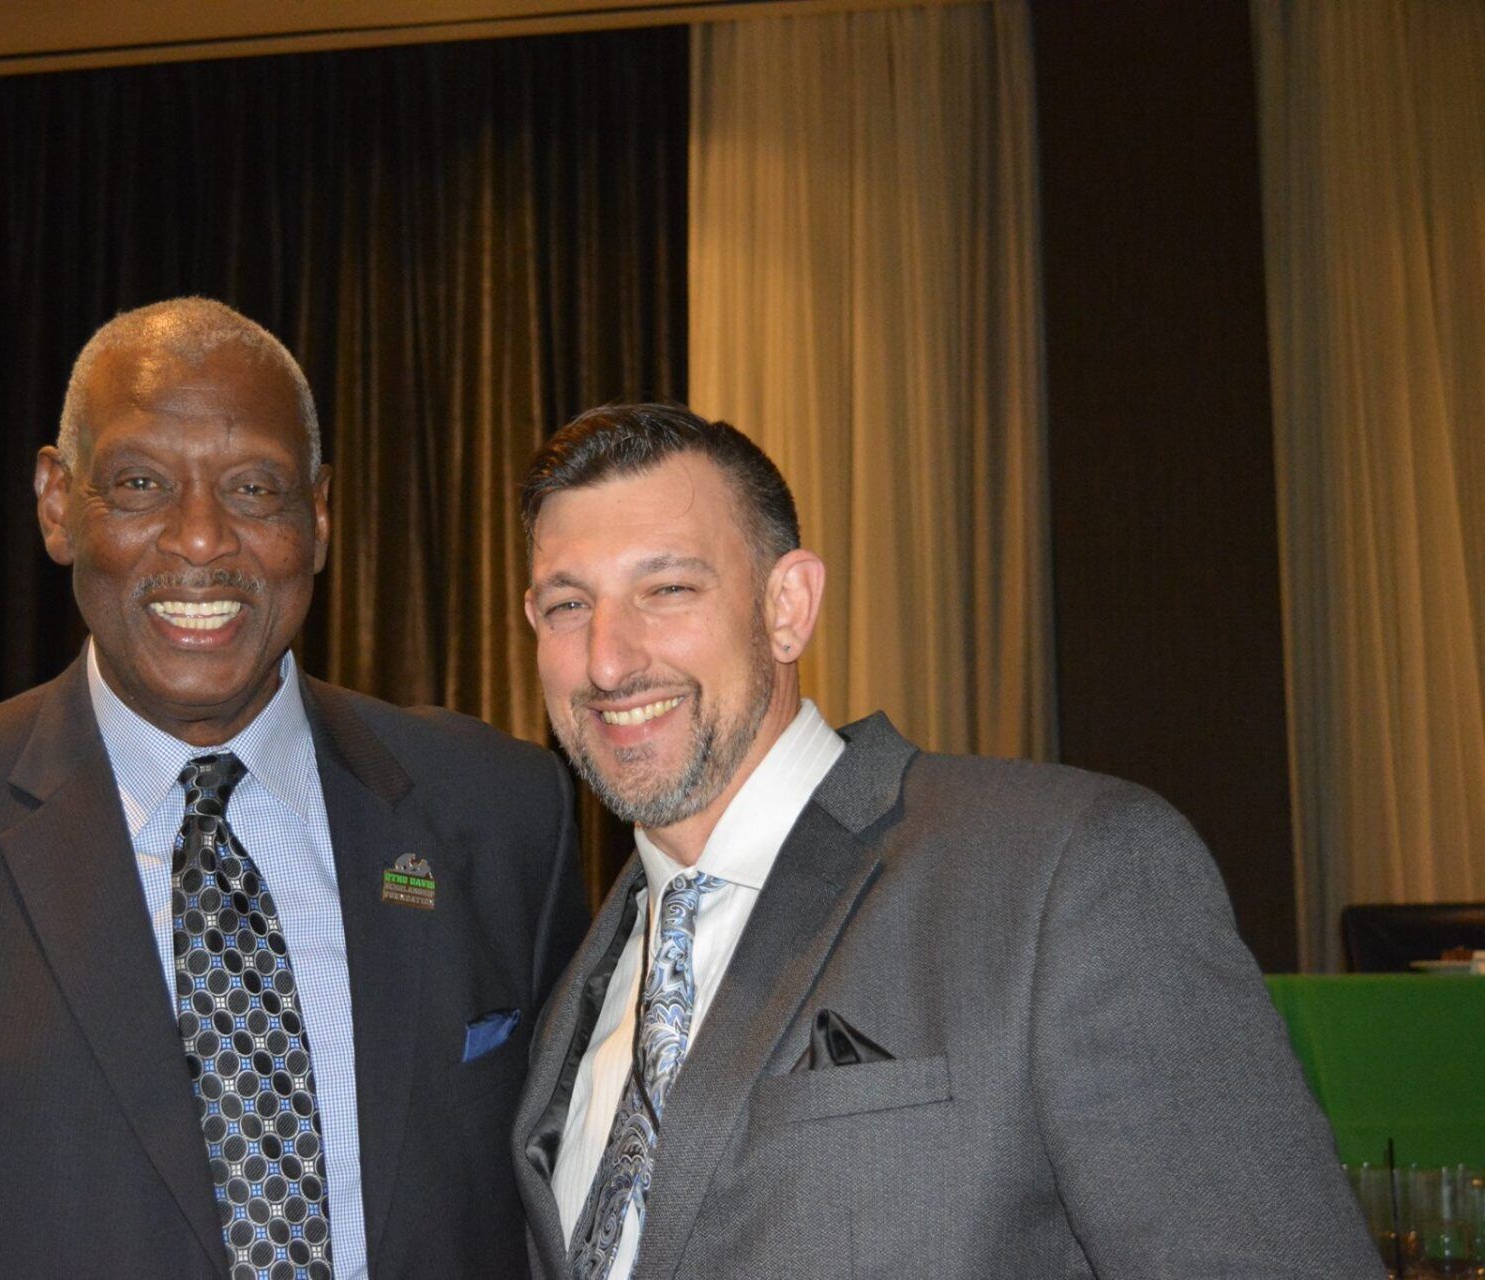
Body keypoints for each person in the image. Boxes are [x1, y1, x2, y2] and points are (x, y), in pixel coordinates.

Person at [0, 297, 587, 1280]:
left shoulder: (503, 813)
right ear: (58, 503)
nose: (202, 539)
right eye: (141, 483)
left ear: (318, 516)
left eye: (254, 488)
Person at [508, 403, 1380, 1279]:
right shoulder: (578, 983)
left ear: (788, 607)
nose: (608, 660)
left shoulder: (1066, 873)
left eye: (667, 590)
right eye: (569, 605)